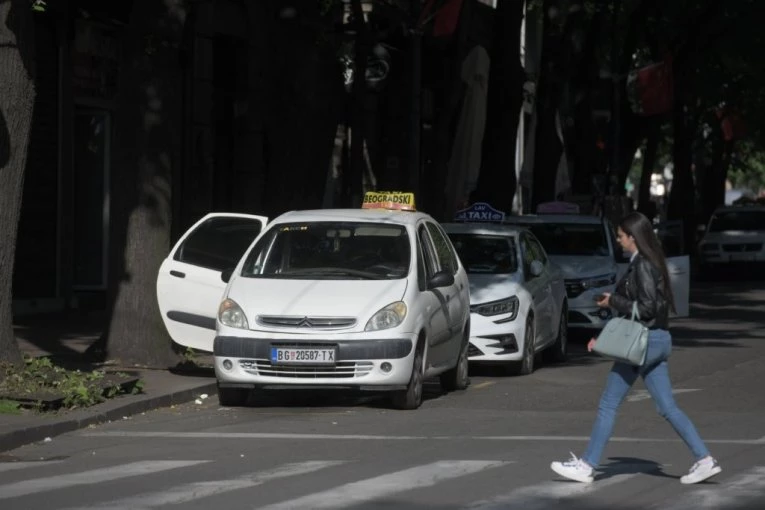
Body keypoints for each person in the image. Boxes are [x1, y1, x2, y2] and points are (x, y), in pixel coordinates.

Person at [550, 211, 722, 485]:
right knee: (667, 407)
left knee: (608, 403)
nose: (618, 241)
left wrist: (613, 302)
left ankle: (587, 465)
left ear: (633, 237)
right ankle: (704, 460)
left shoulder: (643, 263)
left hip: (645, 342)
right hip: (658, 340)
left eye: (620, 236)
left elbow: (646, 307)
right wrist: (612, 310)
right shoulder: (651, 261)